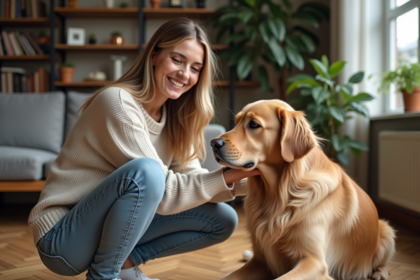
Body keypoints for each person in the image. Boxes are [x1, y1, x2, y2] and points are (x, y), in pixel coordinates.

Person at [28, 18, 260, 280]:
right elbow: (166, 192)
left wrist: (257, 174)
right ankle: (104, 275)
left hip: (103, 230)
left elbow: (193, 183)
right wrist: (230, 175)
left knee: (223, 219)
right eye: (177, 60)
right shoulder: (117, 102)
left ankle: (124, 265)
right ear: (154, 56)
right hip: (63, 239)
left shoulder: (178, 119)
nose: (185, 74)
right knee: (147, 172)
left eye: (195, 68)